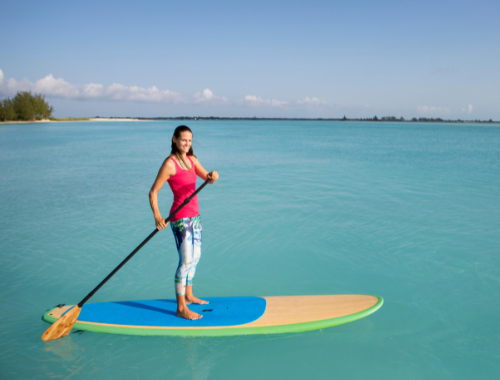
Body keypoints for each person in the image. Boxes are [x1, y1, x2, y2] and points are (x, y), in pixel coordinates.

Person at [149, 125, 219, 320]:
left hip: (195, 216)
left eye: (189, 140)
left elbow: (208, 179)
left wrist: (213, 176)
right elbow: (153, 192)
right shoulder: (170, 164)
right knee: (185, 261)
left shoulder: (192, 160)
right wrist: (157, 216)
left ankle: (188, 295)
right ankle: (181, 308)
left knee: (195, 258)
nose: (187, 144)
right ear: (174, 140)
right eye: (183, 140)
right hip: (179, 218)